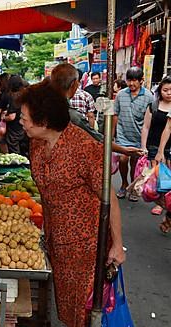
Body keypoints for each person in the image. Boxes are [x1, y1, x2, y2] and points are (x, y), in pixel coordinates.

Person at [17, 82, 125, 327]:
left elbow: (110, 198)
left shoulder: (83, 147)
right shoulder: (36, 143)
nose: (20, 121)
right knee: (67, 295)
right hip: (57, 233)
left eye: (25, 116)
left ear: (44, 120)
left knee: (82, 299)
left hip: (86, 238)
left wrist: (118, 245)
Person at [50, 63, 142, 158]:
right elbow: (95, 136)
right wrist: (124, 150)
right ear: (73, 84)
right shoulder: (72, 115)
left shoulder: (46, 108)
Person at [114, 67, 154, 201]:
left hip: (139, 136)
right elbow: (115, 114)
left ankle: (133, 184)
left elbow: (149, 120)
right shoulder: (120, 94)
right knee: (123, 159)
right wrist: (112, 133)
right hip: (122, 134)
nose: (131, 84)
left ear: (141, 81)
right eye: (129, 80)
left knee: (135, 163)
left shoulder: (149, 96)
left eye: (135, 80)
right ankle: (124, 183)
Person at [140, 75, 171, 215]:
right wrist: (143, 146)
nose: (169, 93)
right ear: (160, 91)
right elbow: (146, 127)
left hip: (169, 147)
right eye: (165, 90)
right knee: (157, 176)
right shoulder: (153, 106)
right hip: (154, 145)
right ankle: (160, 202)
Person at [2, 75, 29, 156]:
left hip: (14, 132)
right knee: (25, 156)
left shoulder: (13, 96)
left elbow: (11, 117)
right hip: (24, 129)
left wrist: (3, 117)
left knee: (15, 156)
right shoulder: (25, 95)